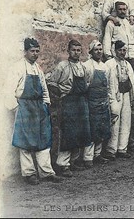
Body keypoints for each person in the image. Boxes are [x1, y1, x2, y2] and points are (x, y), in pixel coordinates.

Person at [7, 38, 63, 185]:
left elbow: (44, 89)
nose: (35, 54)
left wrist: (46, 104)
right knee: (25, 142)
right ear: (25, 51)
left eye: (37, 51)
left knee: (44, 139)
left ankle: (46, 172)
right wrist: (16, 108)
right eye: (32, 51)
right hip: (24, 107)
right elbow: (8, 91)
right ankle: (29, 173)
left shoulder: (38, 68)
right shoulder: (17, 67)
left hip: (39, 107)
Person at [46, 40, 91, 177]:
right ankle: (63, 164)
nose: (76, 53)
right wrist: (61, 93)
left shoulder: (84, 68)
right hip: (68, 102)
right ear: (68, 51)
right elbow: (51, 82)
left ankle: (74, 161)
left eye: (78, 50)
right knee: (68, 133)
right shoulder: (62, 66)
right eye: (73, 50)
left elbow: (87, 82)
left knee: (80, 133)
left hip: (81, 102)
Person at [103, 1, 134, 110]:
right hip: (118, 56)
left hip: (131, 55)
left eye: (124, 9)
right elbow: (107, 39)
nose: (122, 11)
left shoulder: (129, 23)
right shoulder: (111, 23)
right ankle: (118, 105)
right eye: (120, 9)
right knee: (118, 81)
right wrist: (108, 55)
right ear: (116, 10)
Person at [104, 40, 134, 160]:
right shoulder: (109, 64)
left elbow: (132, 81)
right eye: (120, 50)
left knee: (126, 121)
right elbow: (106, 82)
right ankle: (111, 150)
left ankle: (122, 148)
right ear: (115, 51)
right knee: (115, 121)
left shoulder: (128, 65)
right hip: (115, 94)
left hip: (125, 95)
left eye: (124, 50)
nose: (122, 52)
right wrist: (109, 97)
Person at [81, 40, 111, 166]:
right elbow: (85, 84)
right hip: (92, 101)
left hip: (103, 101)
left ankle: (97, 155)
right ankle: (88, 158)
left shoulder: (105, 67)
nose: (99, 52)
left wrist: (107, 99)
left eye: (100, 50)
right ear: (91, 51)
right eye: (96, 50)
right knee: (91, 129)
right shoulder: (87, 65)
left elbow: (107, 84)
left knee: (102, 129)